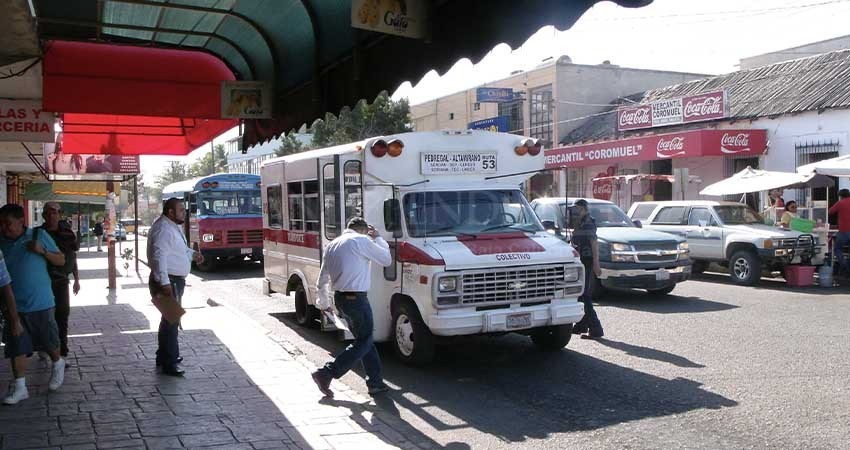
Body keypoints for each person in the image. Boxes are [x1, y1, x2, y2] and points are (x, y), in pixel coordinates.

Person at [311, 217, 393, 398]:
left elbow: (322, 280)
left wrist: (324, 304)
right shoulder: (361, 240)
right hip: (357, 299)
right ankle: (326, 373)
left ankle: (375, 383)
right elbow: (386, 259)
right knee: (363, 342)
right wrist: (378, 238)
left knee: (366, 341)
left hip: (340, 299)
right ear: (363, 230)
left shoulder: (332, 245)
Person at [0, 204, 67, 404]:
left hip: (41, 301)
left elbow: (61, 260)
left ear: (21, 221)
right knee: (17, 345)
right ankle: (20, 387)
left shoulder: (38, 236)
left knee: (48, 341)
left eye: (8, 223)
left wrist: (43, 251)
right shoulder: (1, 242)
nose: (4, 228)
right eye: (1, 224)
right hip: (13, 305)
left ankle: (57, 362)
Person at [147, 198, 203, 377]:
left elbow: (179, 250)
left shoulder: (171, 227)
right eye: (180, 210)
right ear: (170, 212)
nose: (184, 213)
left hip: (173, 280)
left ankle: (164, 356)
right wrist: (164, 282)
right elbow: (159, 257)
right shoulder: (164, 228)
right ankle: (169, 362)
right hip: (168, 281)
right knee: (172, 320)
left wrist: (193, 255)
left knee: (169, 320)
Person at [38, 202, 81, 359]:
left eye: (55, 212)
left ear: (60, 214)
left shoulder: (67, 234)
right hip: (42, 283)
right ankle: (43, 346)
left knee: (62, 316)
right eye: (48, 212)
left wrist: (77, 279)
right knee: (44, 316)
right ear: (43, 215)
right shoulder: (37, 234)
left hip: (61, 281)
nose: (52, 215)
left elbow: (72, 257)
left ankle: (62, 353)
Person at [569, 199, 604, 339]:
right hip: (580, 260)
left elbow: (594, 243)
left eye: (577, 209)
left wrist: (596, 263)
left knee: (585, 295)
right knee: (580, 294)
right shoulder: (578, 222)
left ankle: (596, 329)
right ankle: (581, 325)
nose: (574, 211)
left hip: (587, 261)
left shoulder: (588, 222)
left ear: (584, 209)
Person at [829, 189, 850, 277]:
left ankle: (845, 266)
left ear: (840, 196)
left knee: (837, 249)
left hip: (844, 231)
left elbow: (830, 211)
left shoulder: (840, 203)